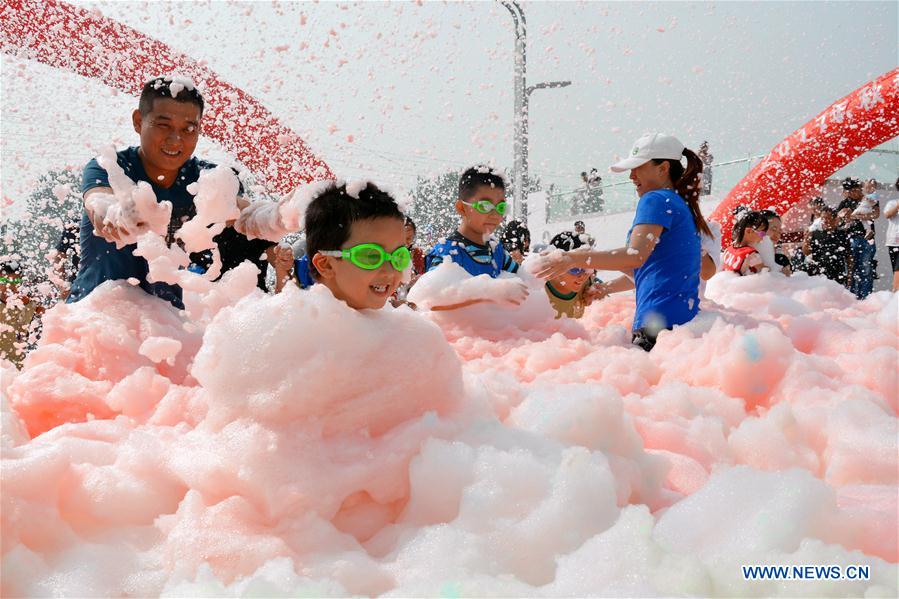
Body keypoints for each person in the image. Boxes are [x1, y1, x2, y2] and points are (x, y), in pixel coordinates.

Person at [68, 75, 293, 309]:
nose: (175, 140)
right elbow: (100, 202)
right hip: (95, 317)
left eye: (188, 129)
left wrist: (285, 215)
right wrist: (119, 215)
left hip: (166, 324)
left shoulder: (204, 178)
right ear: (138, 121)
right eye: (163, 125)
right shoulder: (112, 167)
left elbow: (247, 213)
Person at [536, 133, 710, 352]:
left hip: (657, 324)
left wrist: (572, 258)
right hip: (680, 321)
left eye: (638, 167)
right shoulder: (678, 203)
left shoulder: (655, 199)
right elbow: (647, 270)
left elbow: (634, 255)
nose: (631, 176)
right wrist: (605, 288)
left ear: (663, 168)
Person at [424, 166, 527, 311]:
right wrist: (487, 291)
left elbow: (525, 281)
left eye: (501, 207)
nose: (495, 214)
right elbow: (432, 301)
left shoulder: (497, 251)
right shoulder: (448, 253)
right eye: (485, 206)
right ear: (461, 208)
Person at [305, 182, 409, 310]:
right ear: (326, 264)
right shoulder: (300, 326)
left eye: (399, 256)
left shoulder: (396, 323)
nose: (390, 272)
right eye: (371, 256)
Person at [837, 177, 879, 299]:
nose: (849, 193)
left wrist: (856, 216)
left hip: (867, 238)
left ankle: (865, 297)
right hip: (850, 239)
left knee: (866, 269)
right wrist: (843, 216)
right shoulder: (845, 202)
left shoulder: (870, 198)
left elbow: (876, 214)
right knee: (851, 270)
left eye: (852, 191)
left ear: (858, 189)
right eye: (848, 191)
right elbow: (838, 221)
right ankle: (852, 296)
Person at [543, 231, 598, 319]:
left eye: (588, 267)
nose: (583, 275)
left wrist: (597, 293)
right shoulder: (540, 292)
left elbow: (603, 291)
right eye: (575, 269)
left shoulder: (588, 283)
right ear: (556, 266)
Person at [0, 262, 43, 368]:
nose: (10, 286)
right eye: (4, 281)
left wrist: (33, 305)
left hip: (20, 370)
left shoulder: (31, 305)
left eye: (16, 281)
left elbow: (53, 321)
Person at [802, 206, 848, 285]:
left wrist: (849, 275)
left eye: (827, 218)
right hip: (819, 275)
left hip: (837, 275)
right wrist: (806, 240)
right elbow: (807, 253)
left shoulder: (842, 234)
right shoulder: (815, 234)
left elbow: (848, 256)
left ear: (834, 219)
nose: (824, 221)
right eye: (822, 218)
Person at [722, 211, 769, 276]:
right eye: (762, 234)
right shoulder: (751, 255)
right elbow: (766, 274)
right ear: (749, 231)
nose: (763, 237)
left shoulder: (728, 250)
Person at [759, 209, 791, 275]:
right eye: (773, 229)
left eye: (779, 231)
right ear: (759, 229)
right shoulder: (749, 256)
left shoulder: (781, 260)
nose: (777, 235)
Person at [883, 177, 899, 292]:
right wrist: (898, 206)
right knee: (896, 269)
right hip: (893, 241)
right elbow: (887, 215)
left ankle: (895, 292)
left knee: (898, 269)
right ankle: (895, 294)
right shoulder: (892, 203)